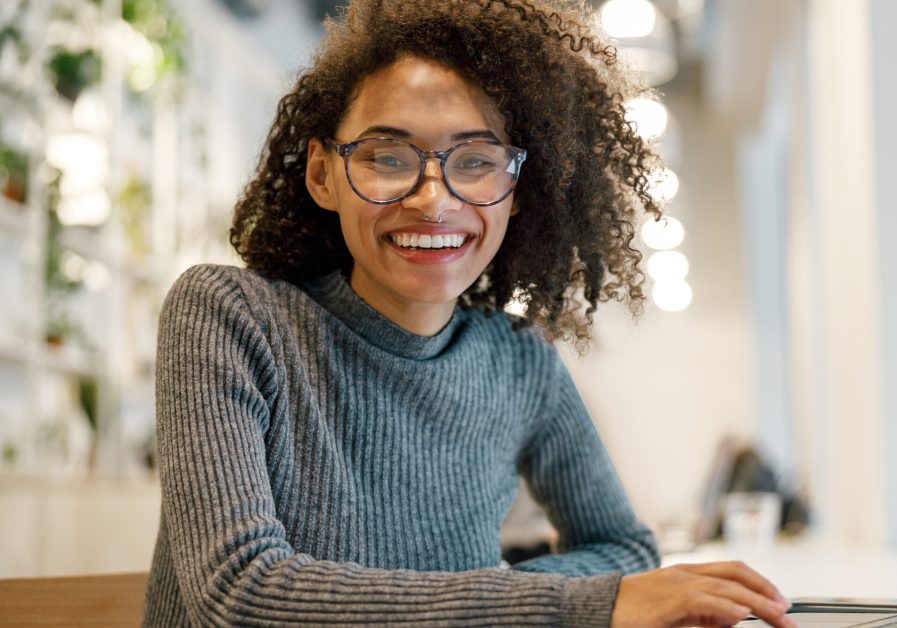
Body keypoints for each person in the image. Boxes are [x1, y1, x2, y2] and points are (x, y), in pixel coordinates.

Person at [143, 1, 796, 626]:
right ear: (323, 175)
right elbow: (240, 593)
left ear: (517, 192)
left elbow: (623, 548)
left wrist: (501, 600)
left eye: (477, 162)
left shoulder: (518, 361)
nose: (433, 200)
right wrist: (566, 605)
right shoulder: (228, 316)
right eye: (388, 157)